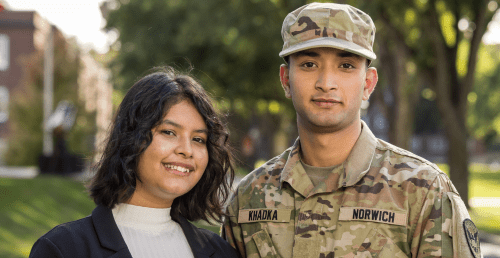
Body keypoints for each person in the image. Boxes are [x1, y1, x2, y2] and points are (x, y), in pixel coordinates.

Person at [222, 3, 480, 258]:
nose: (326, 83)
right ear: (286, 80)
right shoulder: (248, 199)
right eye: (309, 64)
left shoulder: (423, 191)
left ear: (368, 83)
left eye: (345, 66)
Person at [30, 67, 239, 258]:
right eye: (168, 132)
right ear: (131, 138)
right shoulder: (63, 249)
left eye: (198, 139)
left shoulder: (222, 253)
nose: (186, 149)